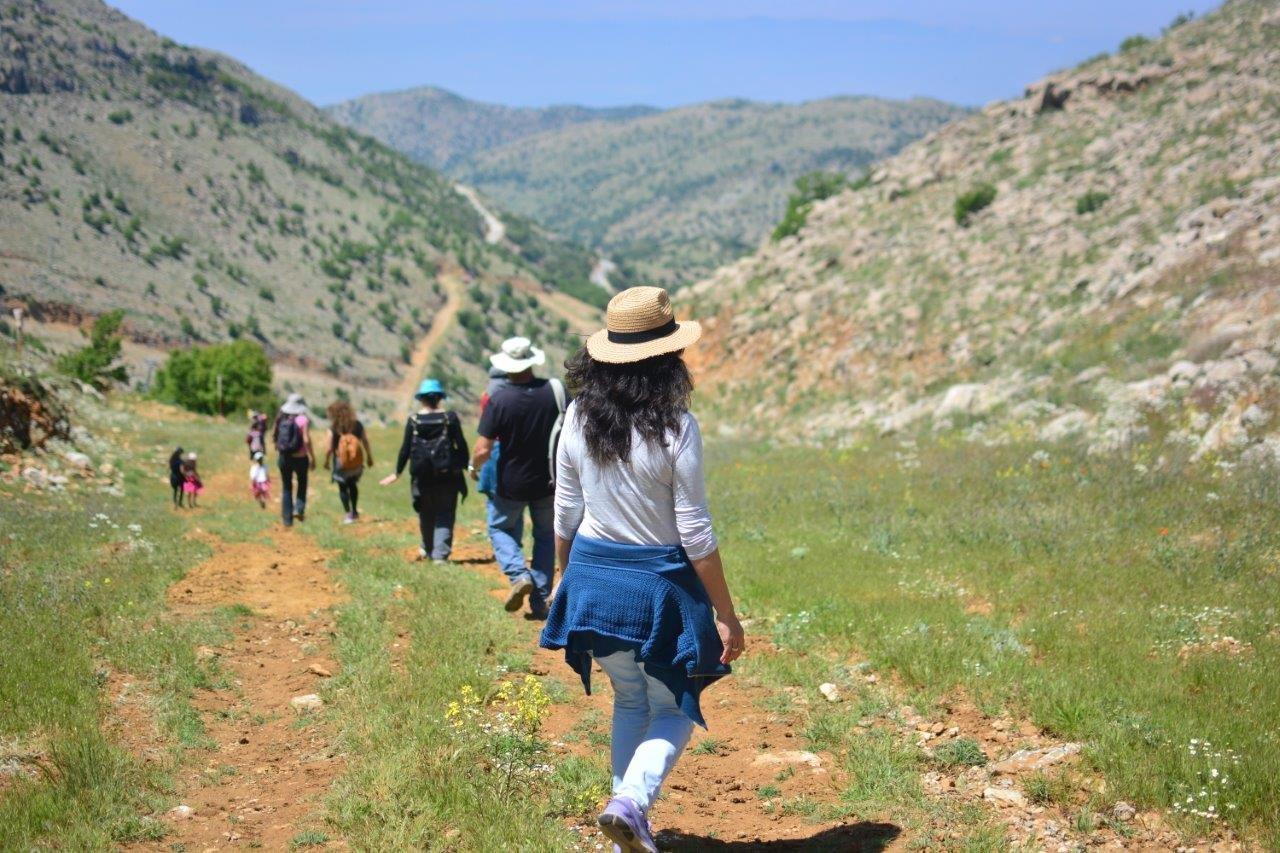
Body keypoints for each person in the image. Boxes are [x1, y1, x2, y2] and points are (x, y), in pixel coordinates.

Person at [539, 286, 744, 853]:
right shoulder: (678, 428)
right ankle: (630, 804)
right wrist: (726, 615)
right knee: (675, 705)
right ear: (667, 361)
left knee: (629, 700)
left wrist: (562, 581)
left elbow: (565, 513)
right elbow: (695, 533)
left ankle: (621, 821)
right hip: (656, 589)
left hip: (592, 581)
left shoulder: (578, 418)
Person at [471, 337, 567, 619]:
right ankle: (540, 603)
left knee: (500, 528)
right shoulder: (554, 390)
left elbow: (483, 448)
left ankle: (517, 574)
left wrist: (473, 467)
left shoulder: (499, 399)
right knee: (546, 537)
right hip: (550, 480)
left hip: (510, 481)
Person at [381, 379, 469, 562]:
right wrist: (467, 466)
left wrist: (396, 472)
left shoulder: (414, 421)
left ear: (421, 399)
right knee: (445, 513)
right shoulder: (449, 418)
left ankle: (428, 550)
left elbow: (405, 449)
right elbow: (461, 444)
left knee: (426, 513)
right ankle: (440, 556)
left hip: (422, 477)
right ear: (439, 398)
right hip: (447, 477)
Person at [323, 399, 374, 524]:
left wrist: (326, 461)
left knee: (342, 488)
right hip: (356, 462)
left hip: (341, 463)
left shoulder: (333, 428)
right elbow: (365, 441)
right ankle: (355, 511)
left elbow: (329, 448)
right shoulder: (358, 425)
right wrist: (369, 457)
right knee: (353, 485)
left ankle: (348, 513)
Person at [273, 393, 315, 527]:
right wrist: (312, 457)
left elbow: (275, 436)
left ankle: (287, 520)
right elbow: (307, 440)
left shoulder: (281, 418)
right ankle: (299, 509)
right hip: (300, 458)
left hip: (284, 457)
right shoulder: (303, 419)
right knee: (302, 483)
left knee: (286, 487)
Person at [477, 366, 506, 499]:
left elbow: (485, 429)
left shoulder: (486, 396)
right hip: (514, 446)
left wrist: (473, 466)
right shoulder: (513, 394)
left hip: (493, 446)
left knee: (495, 497)